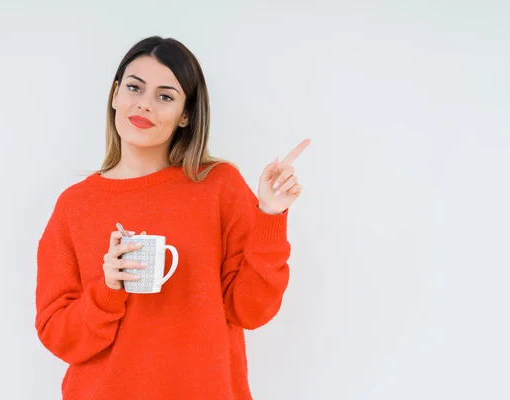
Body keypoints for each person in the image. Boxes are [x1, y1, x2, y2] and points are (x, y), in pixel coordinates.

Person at [35, 35, 310, 400]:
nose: (144, 105)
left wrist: (270, 216)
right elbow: (58, 335)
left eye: (165, 96)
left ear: (185, 114)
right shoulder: (74, 205)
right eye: (134, 88)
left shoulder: (219, 186)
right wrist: (107, 291)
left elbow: (250, 310)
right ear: (115, 95)